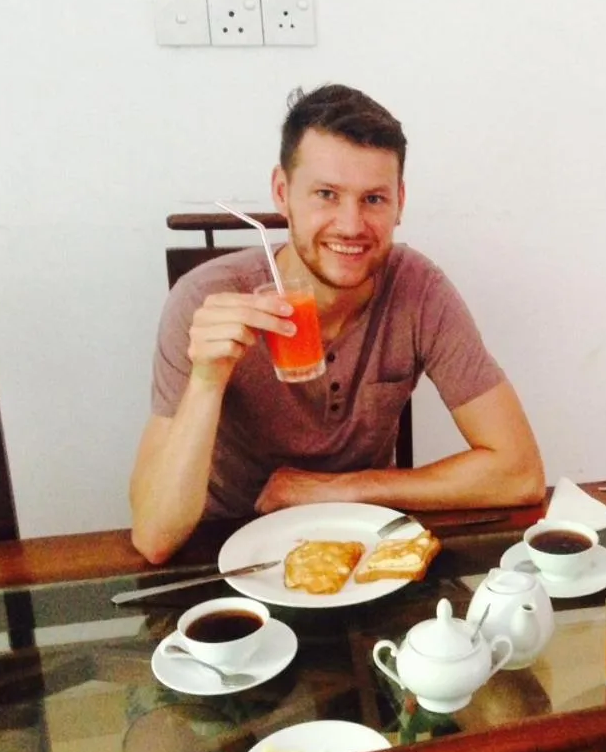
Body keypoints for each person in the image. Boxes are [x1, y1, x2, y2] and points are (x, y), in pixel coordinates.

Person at [131, 84, 545, 563]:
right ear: (282, 193)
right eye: (326, 194)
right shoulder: (204, 301)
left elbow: (520, 473)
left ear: (400, 202)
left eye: (373, 199)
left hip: (361, 549)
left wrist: (329, 490)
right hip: (226, 555)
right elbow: (154, 538)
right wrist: (208, 378)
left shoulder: (419, 290)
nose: (351, 225)